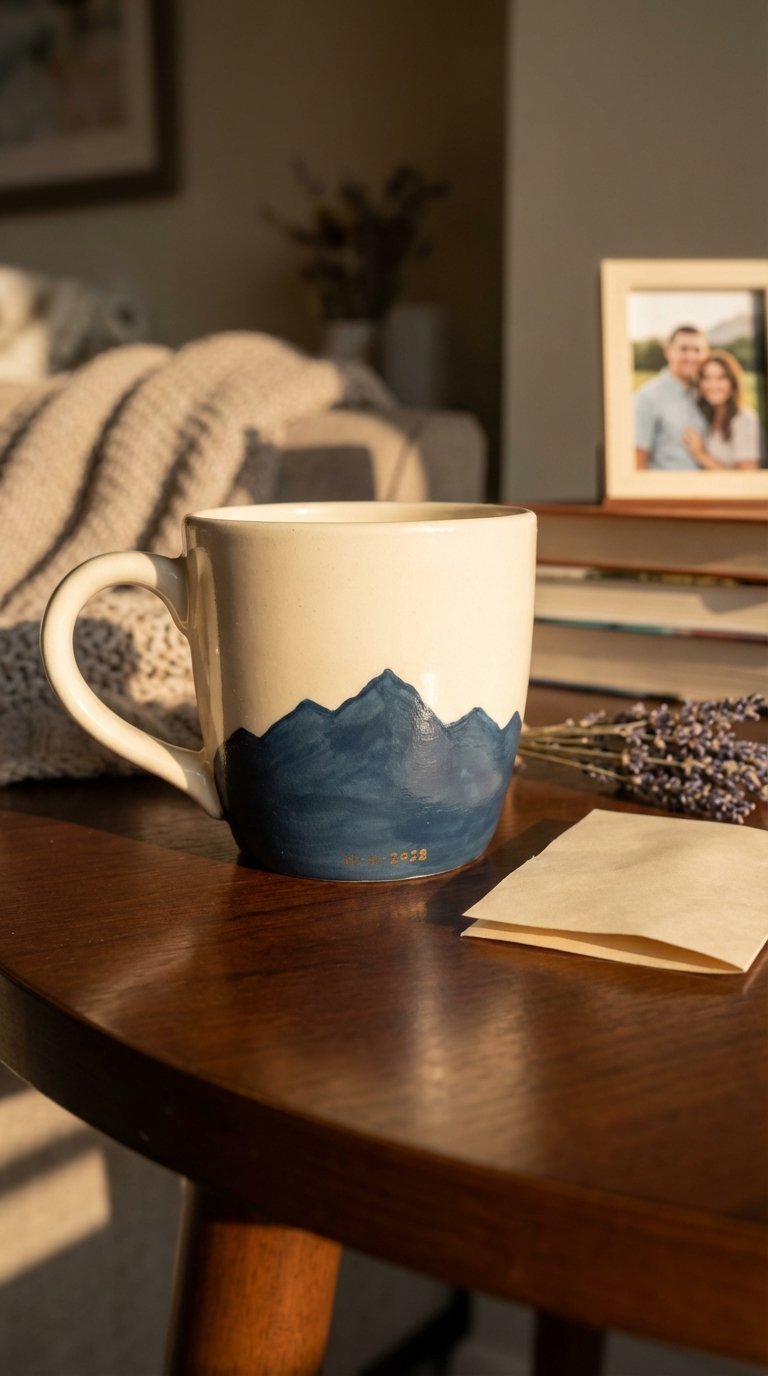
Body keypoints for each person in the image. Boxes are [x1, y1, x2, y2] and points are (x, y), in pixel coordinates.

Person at [634, 325, 709, 470]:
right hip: (664, 491)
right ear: (668, 351)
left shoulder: (703, 394)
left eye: (697, 350)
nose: (691, 357)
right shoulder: (647, 397)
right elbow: (638, 461)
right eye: (683, 349)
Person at [682, 348, 764, 471]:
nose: (713, 384)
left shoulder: (744, 420)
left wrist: (700, 454)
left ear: (733, 383)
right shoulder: (708, 414)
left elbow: (746, 479)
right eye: (706, 377)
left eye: (721, 378)